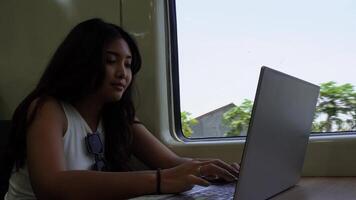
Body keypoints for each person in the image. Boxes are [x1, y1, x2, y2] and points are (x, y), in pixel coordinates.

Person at [4, 18, 239, 200]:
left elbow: (172, 162)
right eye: (111, 61)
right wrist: (159, 181)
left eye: (128, 64)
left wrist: (219, 169)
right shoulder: (49, 109)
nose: (122, 73)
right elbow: (51, 186)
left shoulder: (117, 116)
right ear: (82, 62)